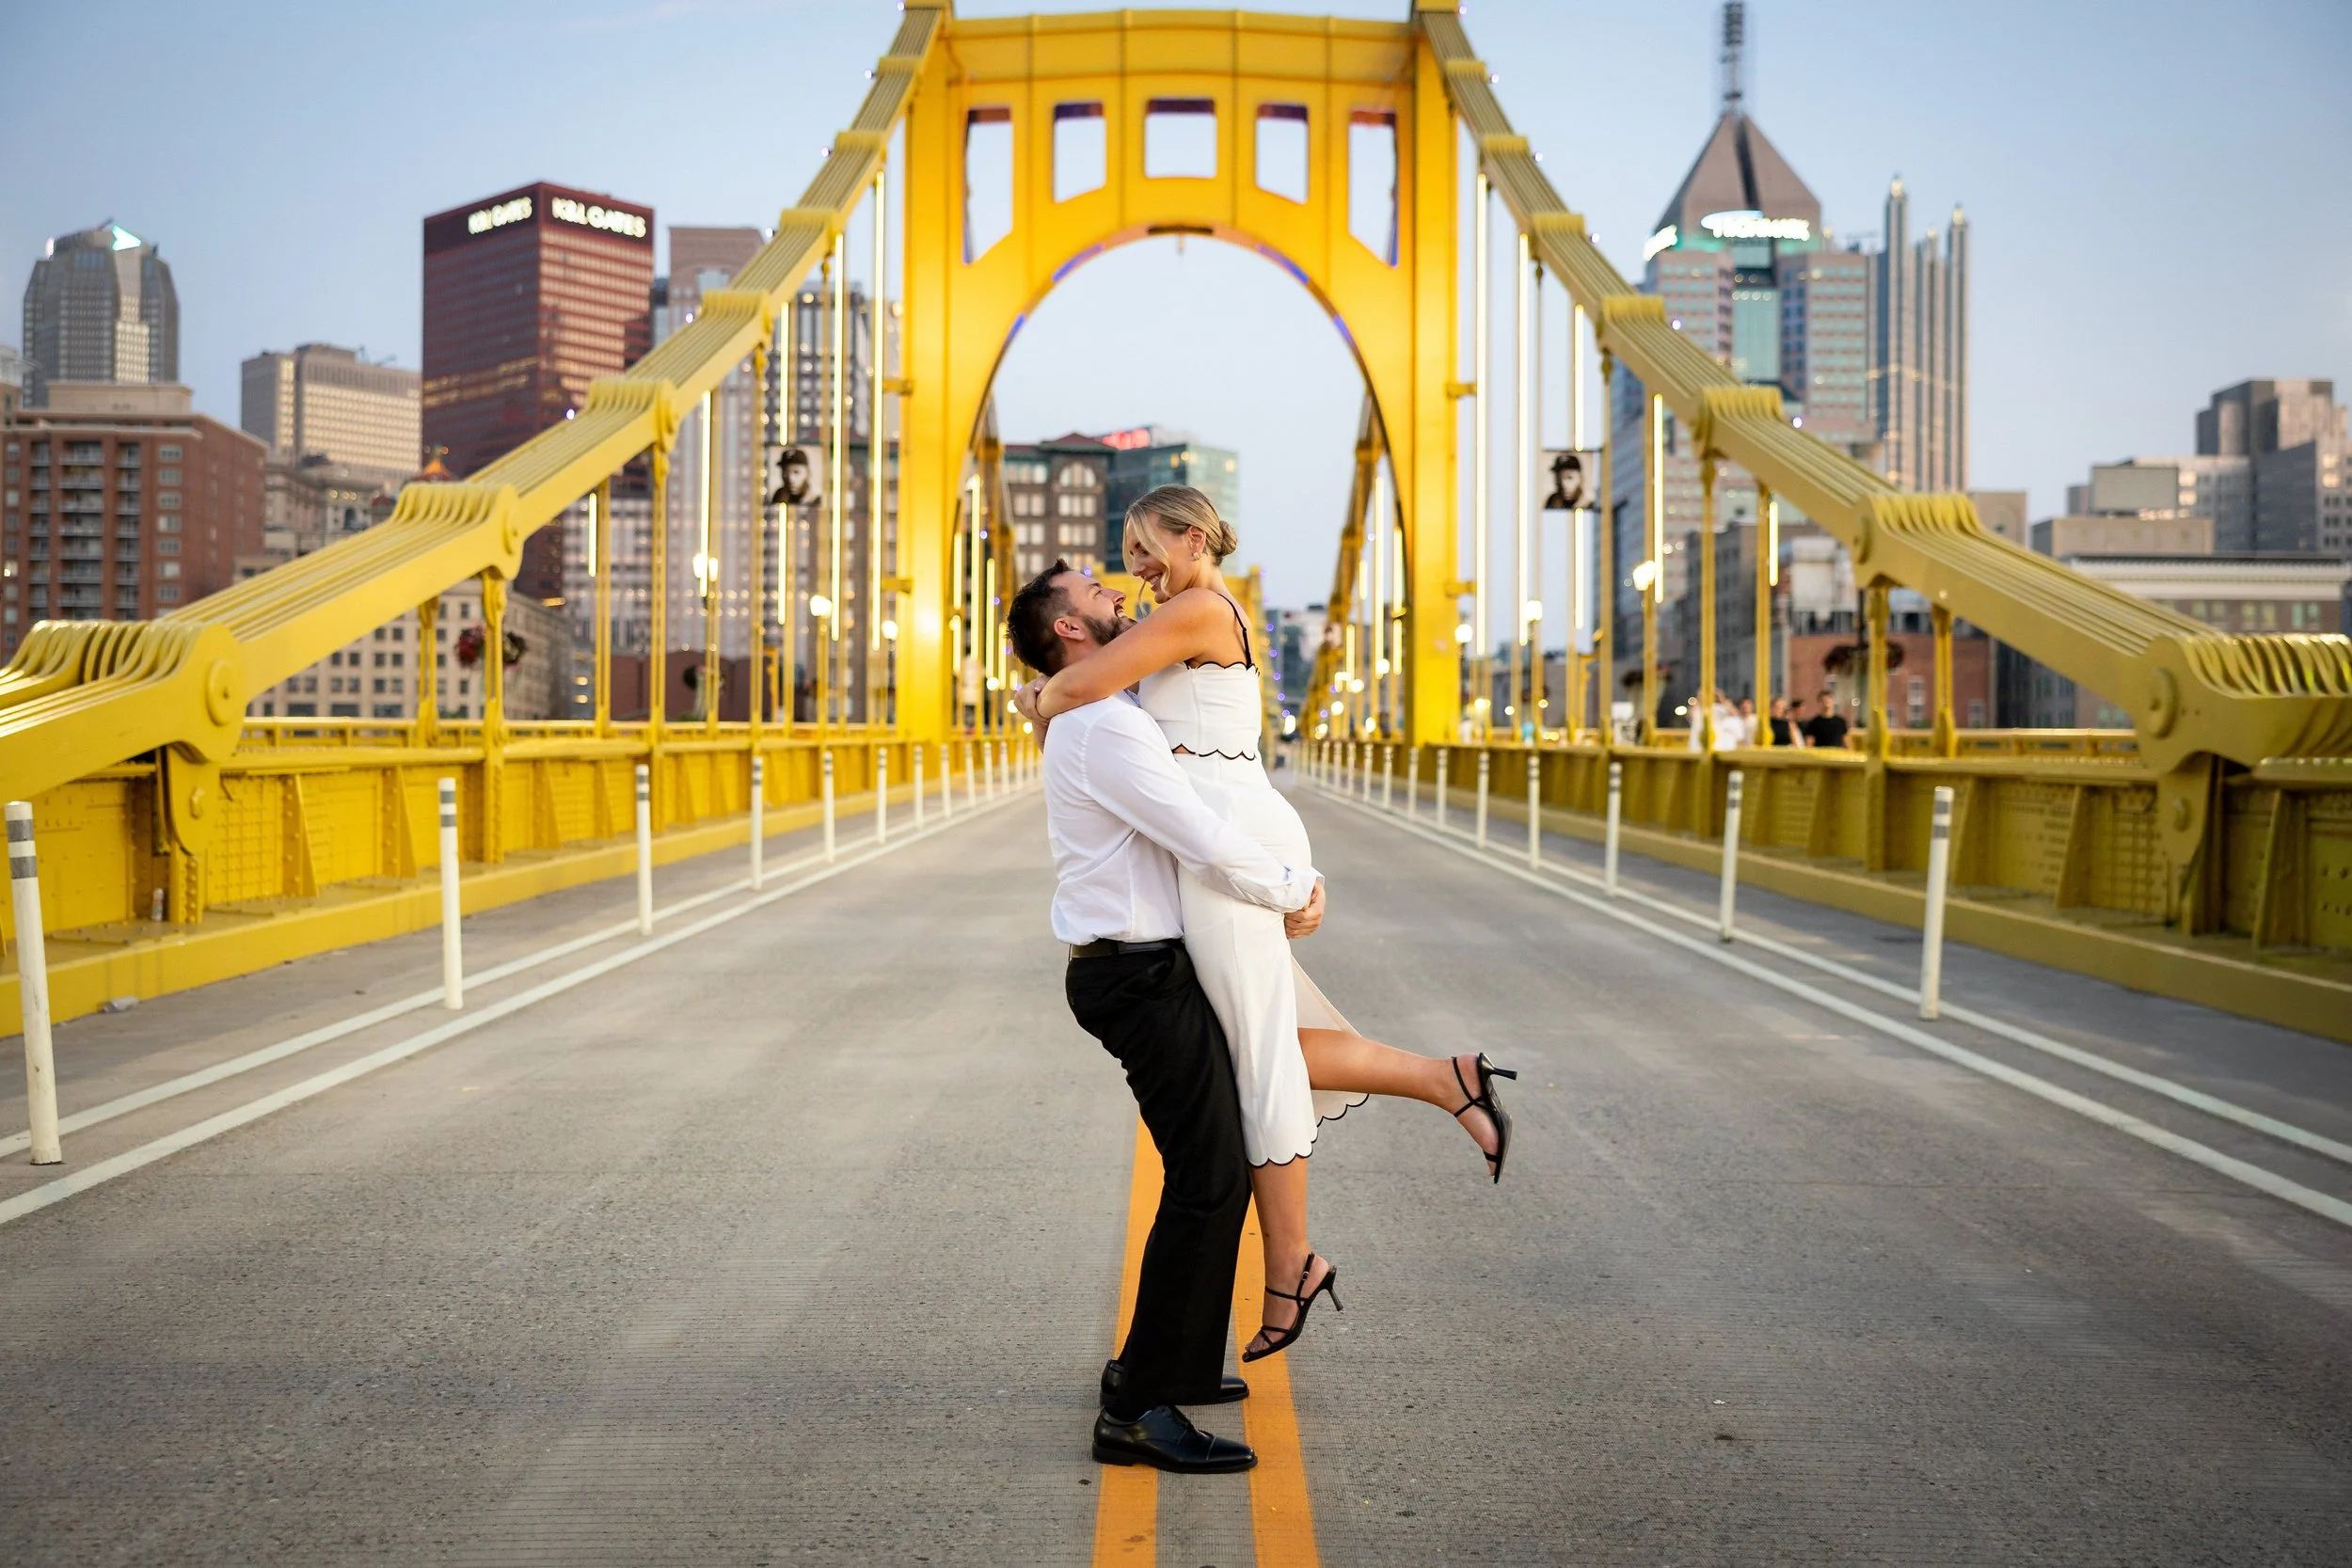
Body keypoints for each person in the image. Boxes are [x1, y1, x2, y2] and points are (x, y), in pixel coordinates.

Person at [1017, 491, 1516, 1363]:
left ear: (1194, 538)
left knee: (1258, 1058)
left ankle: (1290, 1264)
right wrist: (1050, 688)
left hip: (1232, 847)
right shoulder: (1173, 616)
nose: (1130, 570)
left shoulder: (1200, 608)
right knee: (1270, 1040)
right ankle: (1449, 1079)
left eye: (1141, 548)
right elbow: (1091, 693)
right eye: (1118, 559)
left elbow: (1077, 686)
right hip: (1231, 845)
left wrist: (1037, 696)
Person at [1009, 562, 1332, 1474]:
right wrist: (1293, 888)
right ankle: (1136, 1404)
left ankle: (1176, 1365)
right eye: (1096, 594)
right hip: (1133, 975)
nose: (1119, 595)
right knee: (1206, 1176)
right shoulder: (1104, 728)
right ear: (1070, 631)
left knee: (1212, 1164)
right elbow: (1197, 830)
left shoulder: (1107, 714)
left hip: (1145, 968)